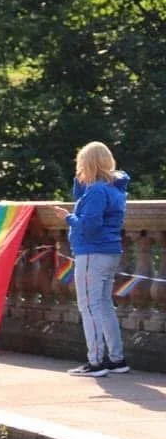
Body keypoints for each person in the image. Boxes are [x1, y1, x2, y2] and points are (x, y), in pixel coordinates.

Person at [52, 141, 130, 377]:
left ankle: (96, 362)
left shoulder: (97, 190)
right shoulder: (114, 188)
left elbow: (90, 225)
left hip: (91, 253)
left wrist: (68, 218)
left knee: (89, 306)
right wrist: (80, 179)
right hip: (109, 252)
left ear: (88, 163)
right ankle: (117, 360)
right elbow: (83, 197)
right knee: (104, 306)